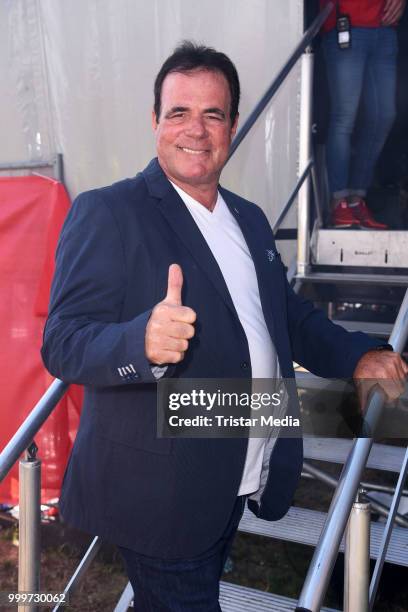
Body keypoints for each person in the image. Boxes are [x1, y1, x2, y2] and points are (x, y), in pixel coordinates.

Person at [41, 42, 407, 611]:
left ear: (233, 125)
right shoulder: (108, 212)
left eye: (213, 113)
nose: (197, 129)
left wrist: (356, 356)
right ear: (154, 121)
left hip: (237, 470)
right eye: (179, 112)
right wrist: (140, 341)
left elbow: (288, 316)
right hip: (161, 489)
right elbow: (62, 341)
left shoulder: (251, 219)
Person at [320, 0, 406, 228]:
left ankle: (357, 198)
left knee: (384, 115)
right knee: (344, 117)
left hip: (384, 27)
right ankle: (339, 201)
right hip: (345, 23)